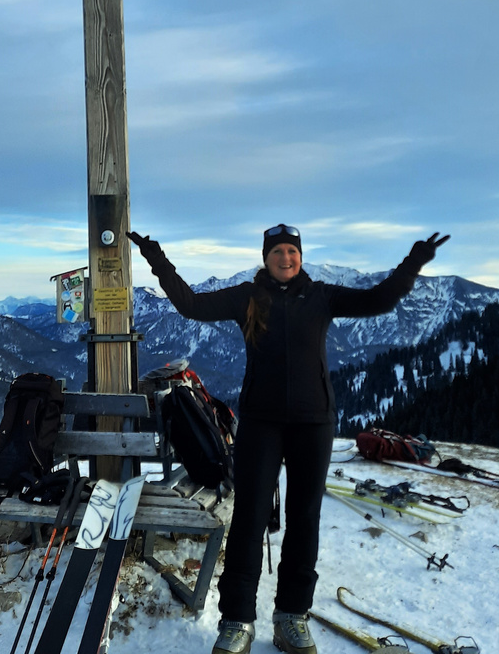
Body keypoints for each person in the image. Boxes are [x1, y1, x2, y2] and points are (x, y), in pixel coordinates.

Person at [128, 224, 449, 654]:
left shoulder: (322, 296)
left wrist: (414, 262)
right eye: (277, 251)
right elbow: (189, 305)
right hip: (261, 424)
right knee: (248, 521)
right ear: (266, 257)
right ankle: (237, 620)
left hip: (314, 424)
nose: (285, 258)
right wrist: (156, 258)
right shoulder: (246, 297)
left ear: (300, 256)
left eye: (291, 251)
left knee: (304, 521)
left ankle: (292, 616)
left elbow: (379, 299)